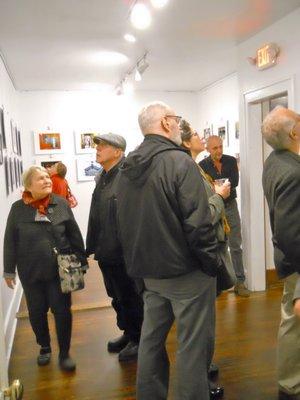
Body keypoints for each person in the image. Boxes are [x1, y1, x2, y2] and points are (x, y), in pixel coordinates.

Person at [116, 102, 222, 400]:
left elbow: (123, 222)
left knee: (151, 341)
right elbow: (198, 223)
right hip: (185, 271)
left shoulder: (128, 165)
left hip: (149, 273)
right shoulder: (179, 161)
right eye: (176, 120)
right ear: (165, 123)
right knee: (191, 347)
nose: (179, 125)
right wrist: (210, 263)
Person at [3, 165, 87, 371]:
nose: (47, 181)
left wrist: (81, 261)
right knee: (36, 311)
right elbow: (10, 240)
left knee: (62, 311)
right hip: (30, 270)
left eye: (47, 178)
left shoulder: (61, 203)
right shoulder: (17, 209)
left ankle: (65, 353)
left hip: (60, 269)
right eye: (41, 179)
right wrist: (8, 269)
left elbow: (74, 233)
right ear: (28, 185)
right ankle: (45, 346)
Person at [180, 119, 236, 399]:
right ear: (186, 142)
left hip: (201, 251)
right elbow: (202, 217)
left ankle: (202, 369)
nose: (202, 137)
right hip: (203, 252)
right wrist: (218, 195)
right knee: (201, 322)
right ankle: (200, 381)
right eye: (196, 135)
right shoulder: (190, 169)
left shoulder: (190, 167)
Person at [86, 133, 143, 362]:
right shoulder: (103, 177)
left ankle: (139, 340)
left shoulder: (128, 176)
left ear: (118, 152)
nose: (97, 148)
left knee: (130, 296)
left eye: (104, 145)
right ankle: (128, 334)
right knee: (116, 296)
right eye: (97, 144)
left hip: (123, 252)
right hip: (105, 249)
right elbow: (96, 214)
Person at [261, 106, 300, 400]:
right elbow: (289, 231)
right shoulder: (292, 172)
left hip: (288, 259)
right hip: (296, 261)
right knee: (293, 322)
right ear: (294, 132)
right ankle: (290, 385)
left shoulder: (274, 160)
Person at [199, 135, 250, 297]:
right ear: (207, 149)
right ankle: (219, 283)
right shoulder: (202, 165)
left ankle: (240, 282)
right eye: (215, 148)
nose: (219, 150)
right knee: (217, 245)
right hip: (214, 207)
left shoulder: (230, 161)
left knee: (235, 244)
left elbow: (233, 182)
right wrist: (218, 187)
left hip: (230, 206)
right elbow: (206, 187)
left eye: (221, 146)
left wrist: (216, 185)